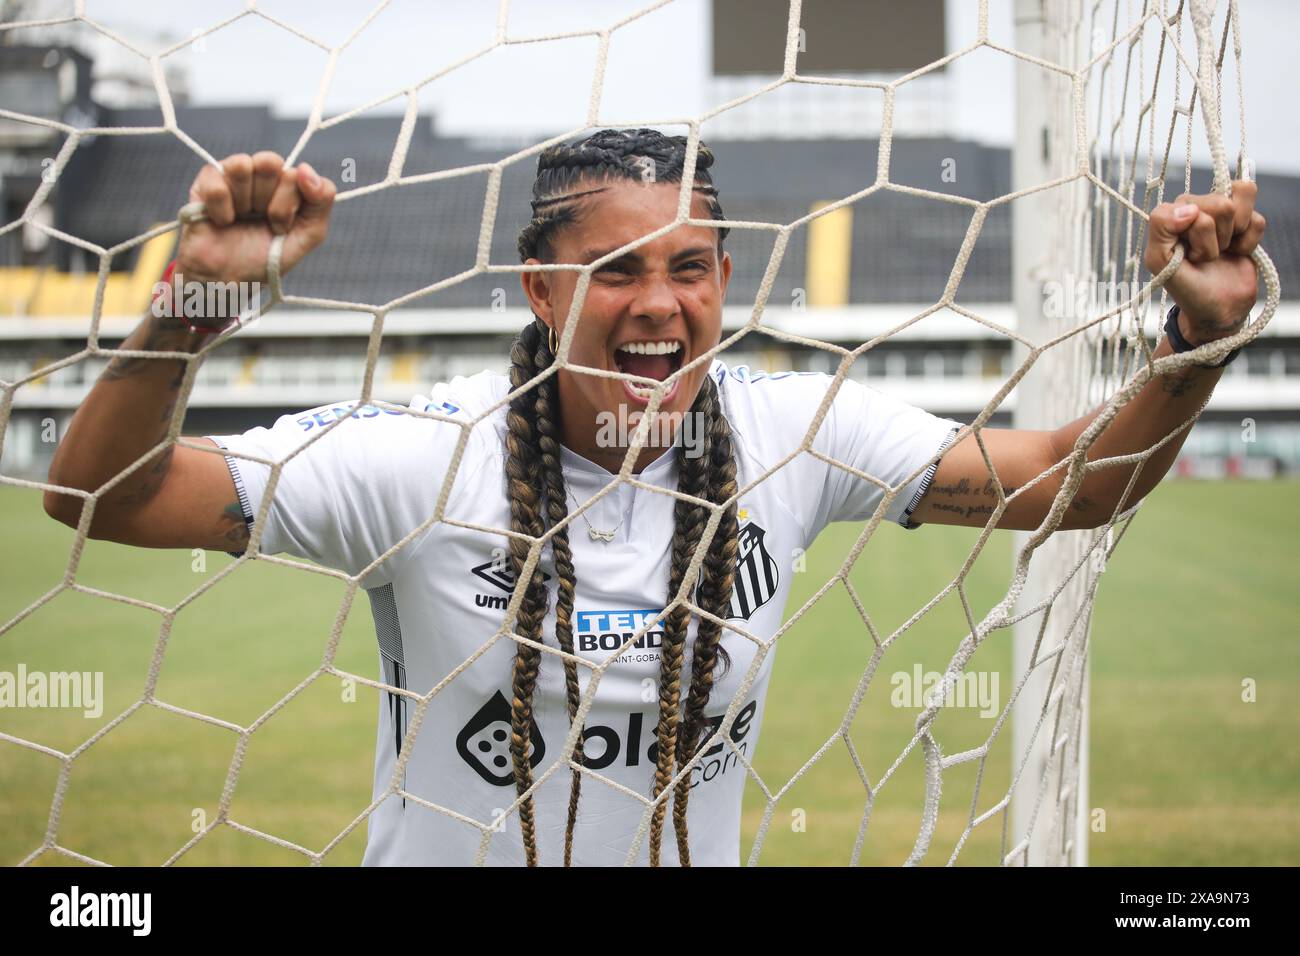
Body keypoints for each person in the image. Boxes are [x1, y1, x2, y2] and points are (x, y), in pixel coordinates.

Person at [43, 128, 1265, 866]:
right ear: (535, 286)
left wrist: (1193, 343)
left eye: (688, 267)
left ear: (725, 277)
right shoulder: (423, 454)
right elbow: (103, 495)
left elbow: (1064, 483)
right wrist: (191, 301)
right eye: (614, 269)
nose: (658, 302)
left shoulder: (789, 429)